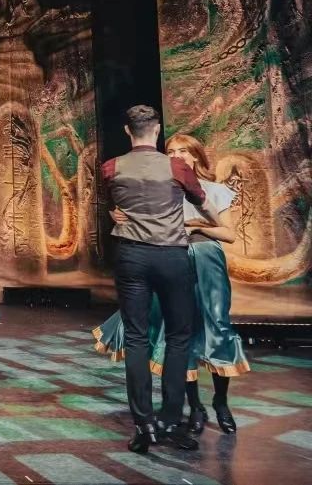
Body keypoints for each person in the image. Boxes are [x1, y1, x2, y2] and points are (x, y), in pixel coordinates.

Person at [92, 133, 246, 436]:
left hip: (208, 264)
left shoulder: (215, 191)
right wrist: (118, 216)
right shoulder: (163, 188)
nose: (177, 156)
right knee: (178, 333)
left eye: (183, 151)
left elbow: (228, 234)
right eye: (171, 151)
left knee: (217, 327)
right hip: (174, 260)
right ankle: (195, 407)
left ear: (196, 156)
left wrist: (192, 225)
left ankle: (221, 402)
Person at [101, 105, 219, 454]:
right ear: (157, 130)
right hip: (170, 257)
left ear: (127, 131)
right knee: (179, 336)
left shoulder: (111, 167)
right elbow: (202, 202)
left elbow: (113, 202)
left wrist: (119, 213)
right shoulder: (176, 167)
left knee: (136, 338)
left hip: (131, 256)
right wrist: (214, 220)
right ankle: (169, 419)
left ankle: (144, 424)